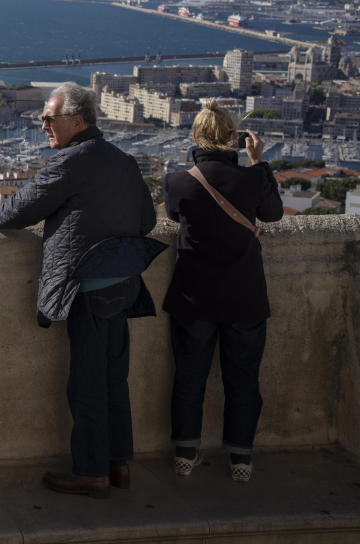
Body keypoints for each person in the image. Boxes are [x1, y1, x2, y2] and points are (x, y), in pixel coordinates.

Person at [0, 82, 158, 499]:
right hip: (124, 284)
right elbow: (147, 221)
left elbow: (13, 213)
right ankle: (119, 465)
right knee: (115, 379)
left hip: (88, 286)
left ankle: (91, 472)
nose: (43, 125)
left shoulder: (69, 163)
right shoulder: (124, 161)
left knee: (86, 383)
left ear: (77, 121)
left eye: (49, 118)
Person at [162, 100, 283, 483]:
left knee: (189, 376)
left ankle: (185, 452)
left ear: (195, 137)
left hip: (194, 296)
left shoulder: (178, 181)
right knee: (244, 378)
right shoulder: (252, 179)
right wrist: (260, 163)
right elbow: (274, 214)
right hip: (244, 296)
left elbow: (174, 217)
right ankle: (241, 459)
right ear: (234, 138)